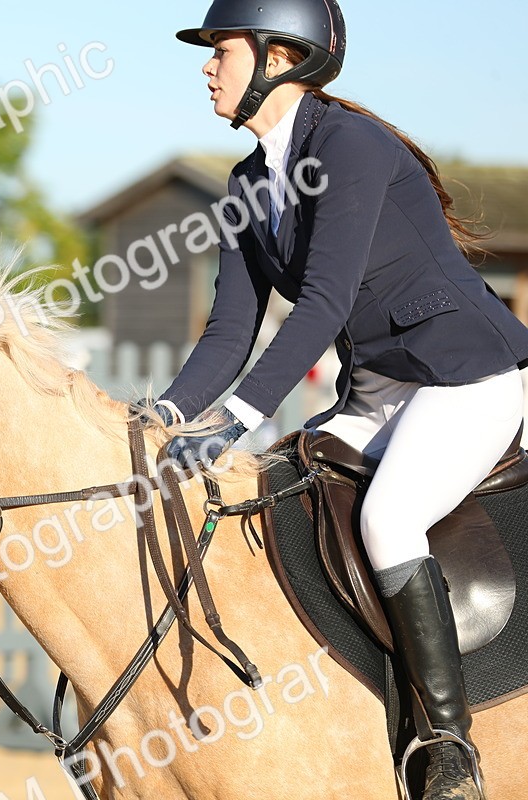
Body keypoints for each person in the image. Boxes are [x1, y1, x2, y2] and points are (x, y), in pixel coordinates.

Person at [153, 1, 528, 797]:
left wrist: (239, 417)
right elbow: (229, 329)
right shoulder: (248, 181)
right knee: (277, 490)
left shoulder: (351, 145)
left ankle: (448, 746)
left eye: (220, 49)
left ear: (282, 57)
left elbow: (322, 304)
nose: (206, 66)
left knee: (389, 517)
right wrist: (166, 415)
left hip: (466, 377)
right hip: (379, 392)